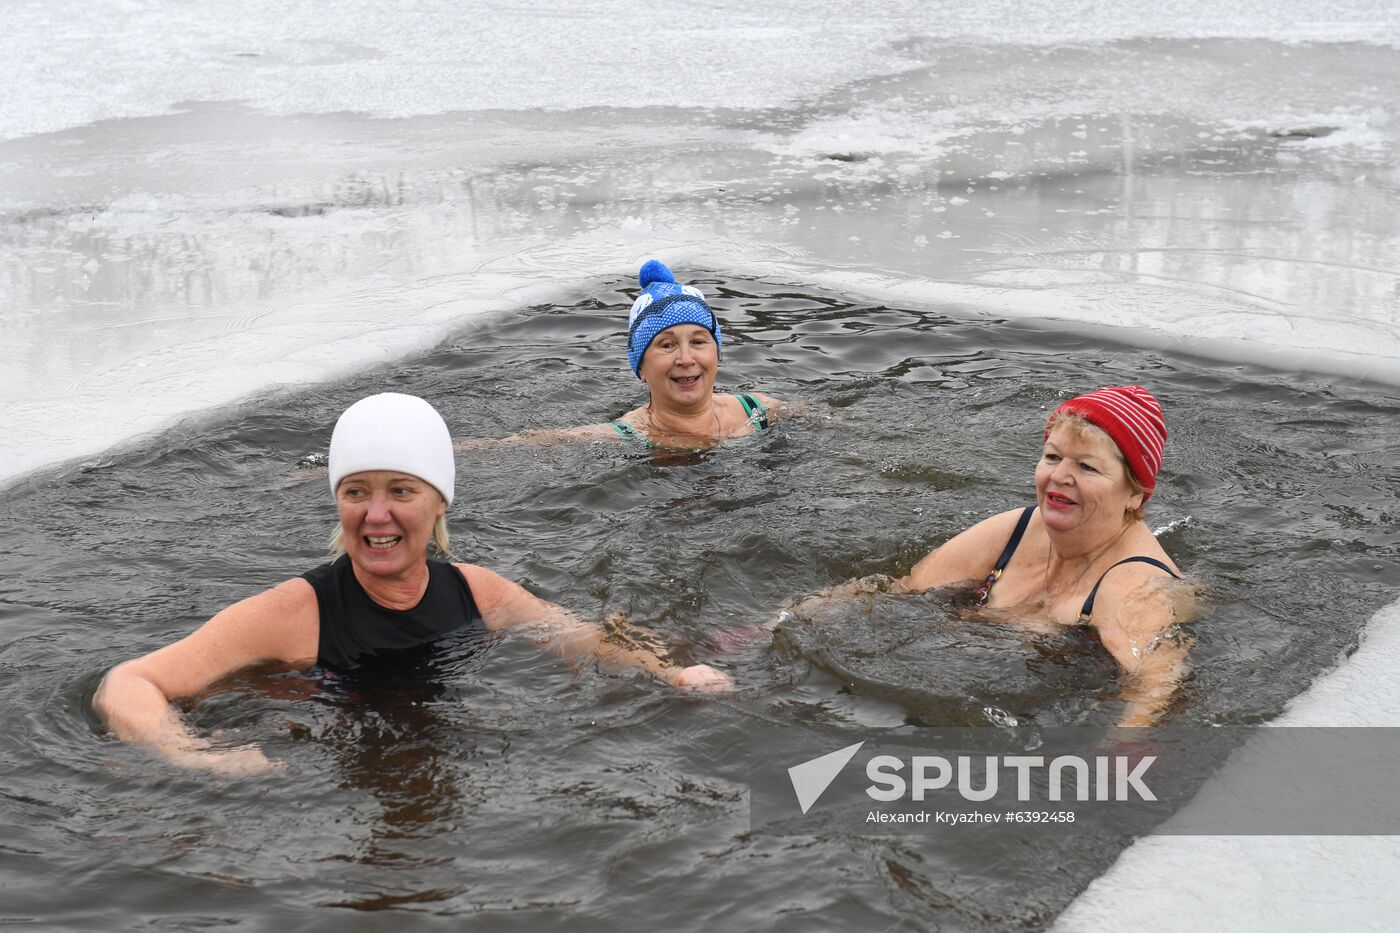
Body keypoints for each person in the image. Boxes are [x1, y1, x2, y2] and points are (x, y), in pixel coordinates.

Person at [94, 392, 732, 774]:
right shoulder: (294, 612)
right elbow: (128, 683)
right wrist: (197, 758)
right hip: (322, 779)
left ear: (438, 502)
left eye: (400, 490)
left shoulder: (478, 592)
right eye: (356, 493)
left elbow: (586, 640)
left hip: (439, 765)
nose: (376, 515)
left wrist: (674, 675)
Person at [790, 385, 1192, 726]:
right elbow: (897, 591)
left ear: (1135, 492)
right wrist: (791, 618)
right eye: (1052, 457)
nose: (1058, 477)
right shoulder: (1016, 530)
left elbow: (1157, 687)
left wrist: (1119, 751)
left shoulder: (1134, 584)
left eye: (1087, 467)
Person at [457, 259, 782, 450]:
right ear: (640, 367)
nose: (686, 358)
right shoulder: (628, 436)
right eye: (666, 345)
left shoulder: (759, 410)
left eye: (699, 342)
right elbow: (538, 442)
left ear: (717, 353)